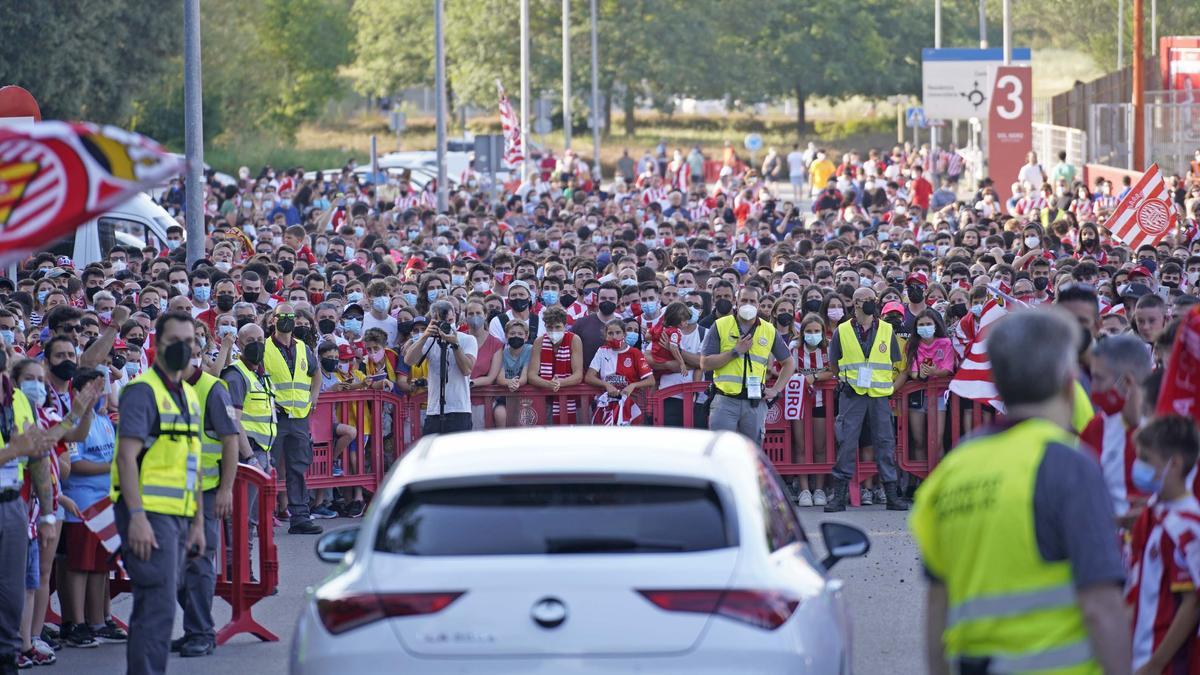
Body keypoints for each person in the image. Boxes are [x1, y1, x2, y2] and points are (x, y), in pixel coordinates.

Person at [911, 308, 1130, 675]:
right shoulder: (1071, 465)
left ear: (995, 383)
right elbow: (1100, 605)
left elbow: (937, 604)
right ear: (1068, 381)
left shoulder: (953, 468)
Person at [113, 310, 207, 675]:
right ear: (157, 344)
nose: (182, 349)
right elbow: (125, 457)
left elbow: (192, 465)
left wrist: (198, 522)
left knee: (161, 607)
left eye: (189, 342)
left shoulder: (188, 395)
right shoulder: (142, 392)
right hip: (149, 516)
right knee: (157, 607)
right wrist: (136, 517)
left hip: (179, 516)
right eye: (174, 343)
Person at [171, 327, 241, 658]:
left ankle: (199, 631)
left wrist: (226, 488)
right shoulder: (158, 387)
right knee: (172, 566)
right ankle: (197, 627)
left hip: (208, 491)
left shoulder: (213, 388)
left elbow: (230, 440)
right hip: (167, 492)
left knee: (198, 562)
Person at [1126, 415, 1200, 674]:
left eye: (1146, 459)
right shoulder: (1154, 511)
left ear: (1175, 464)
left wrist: (1155, 664)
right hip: (1138, 654)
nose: (1138, 466)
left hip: (1164, 664)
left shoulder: (1187, 526)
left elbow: (1192, 604)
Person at [825, 286, 906, 512]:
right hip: (852, 393)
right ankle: (839, 496)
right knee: (847, 442)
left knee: (885, 443)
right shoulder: (842, 330)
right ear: (855, 303)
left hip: (879, 395)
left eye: (873, 298)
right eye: (865, 299)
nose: (870, 302)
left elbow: (893, 361)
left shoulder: (887, 329)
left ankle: (891, 494)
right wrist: (843, 378)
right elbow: (834, 362)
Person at [700, 285, 795, 443]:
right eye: (744, 300)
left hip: (754, 402)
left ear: (758, 305)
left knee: (753, 453)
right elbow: (705, 363)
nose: (748, 304)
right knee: (721, 450)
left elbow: (789, 363)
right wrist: (735, 351)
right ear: (736, 302)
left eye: (752, 301)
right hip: (725, 400)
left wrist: (776, 390)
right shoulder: (720, 325)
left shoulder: (769, 330)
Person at [262, 304, 322, 535]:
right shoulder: (264, 347)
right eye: (282, 316)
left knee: (297, 469)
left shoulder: (303, 347)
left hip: (298, 418)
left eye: (290, 316)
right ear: (272, 320)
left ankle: (300, 518)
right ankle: (262, 519)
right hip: (274, 417)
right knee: (267, 468)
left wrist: (313, 397)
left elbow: (315, 374)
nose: (286, 320)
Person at [1081, 334, 1155, 522]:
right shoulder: (1096, 427)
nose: (1093, 387)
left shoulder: (1169, 430)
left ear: (1127, 382)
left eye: (1098, 378)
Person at [403, 300, 477, 435]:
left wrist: (455, 345)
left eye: (449, 321)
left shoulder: (467, 339)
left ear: (454, 317)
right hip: (434, 409)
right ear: (432, 320)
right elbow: (409, 360)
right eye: (440, 321)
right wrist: (424, 336)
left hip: (459, 409)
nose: (445, 325)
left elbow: (466, 369)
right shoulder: (430, 340)